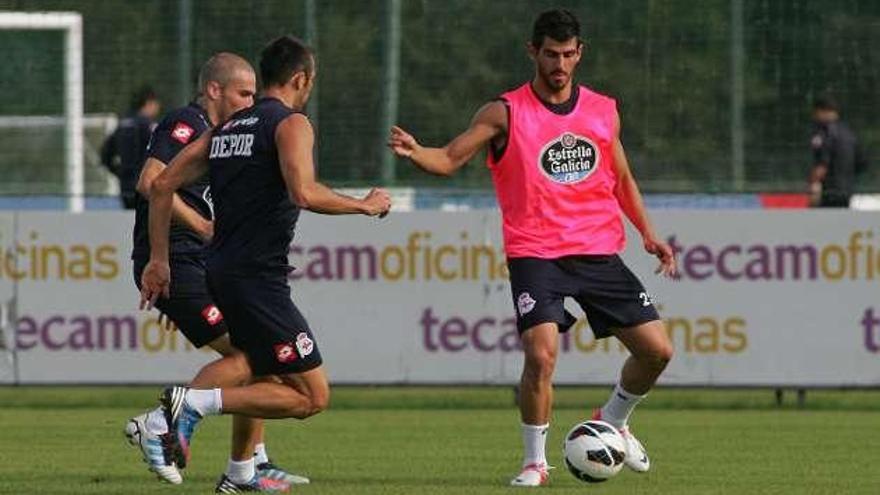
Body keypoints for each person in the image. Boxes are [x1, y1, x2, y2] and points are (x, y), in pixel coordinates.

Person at [388, 9, 676, 487]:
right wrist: (419, 152)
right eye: (550, 54)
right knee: (540, 355)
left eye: (567, 55)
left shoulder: (603, 109)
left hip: (597, 249)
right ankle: (534, 462)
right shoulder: (505, 112)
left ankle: (616, 420)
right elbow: (450, 158)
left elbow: (621, 177)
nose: (559, 64)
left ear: (579, 53)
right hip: (536, 251)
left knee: (658, 352)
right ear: (533, 52)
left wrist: (647, 233)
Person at [139, 35, 391, 493]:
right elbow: (304, 192)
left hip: (219, 269)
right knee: (312, 396)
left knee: (260, 369)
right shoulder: (291, 123)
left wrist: (158, 259)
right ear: (302, 79)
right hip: (257, 279)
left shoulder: (227, 129)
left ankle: (240, 475)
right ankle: (185, 407)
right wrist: (366, 205)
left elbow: (161, 187)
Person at [124, 52, 307, 491]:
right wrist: (193, 235)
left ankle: (249, 465)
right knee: (250, 356)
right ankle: (161, 424)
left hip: (203, 262)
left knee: (262, 354)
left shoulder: (227, 136)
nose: (250, 102)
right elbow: (151, 182)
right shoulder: (186, 122)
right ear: (213, 90)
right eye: (243, 93)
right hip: (178, 262)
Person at [100, 86, 161, 209]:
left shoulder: (122, 124)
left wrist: (120, 172)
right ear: (149, 103)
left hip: (125, 185)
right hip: (146, 184)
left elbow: (105, 154)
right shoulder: (148, 126)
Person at [808, 95, 868, 208]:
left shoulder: (823, 133)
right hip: (847, 192)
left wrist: (812, 183)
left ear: (822, 111)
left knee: (823, 225)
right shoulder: (850, 133)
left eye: (816, 113)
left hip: (827, 193)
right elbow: (862, 164)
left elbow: (822, 167)